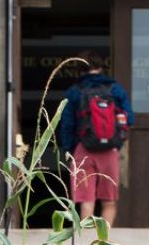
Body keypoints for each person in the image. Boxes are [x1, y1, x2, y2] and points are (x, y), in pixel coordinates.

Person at [57, 53, 133, 229]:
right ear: (101, 67)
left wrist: (70, 151)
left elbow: (66, 125)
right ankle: (103, 244)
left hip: (83, 150)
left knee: (86, 201)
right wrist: (116, 142)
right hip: (109, 152)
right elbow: (129, 119)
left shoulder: (75, 91)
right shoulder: (115, 89)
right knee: (109, 202)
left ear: (80, 70)